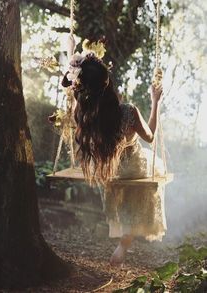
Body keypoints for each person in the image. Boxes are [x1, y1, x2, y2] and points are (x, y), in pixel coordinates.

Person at [61, 36, 166, 265]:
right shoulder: (128, 111)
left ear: (83, 88)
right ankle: (124, 243)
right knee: (142, 187)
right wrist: (155, 102)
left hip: (109, 170)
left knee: (122, 200)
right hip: (133, 170)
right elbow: (150, 136)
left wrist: (70, 52)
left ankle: (122, 241)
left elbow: (74, 87)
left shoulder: (84, 115)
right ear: (107, 84)